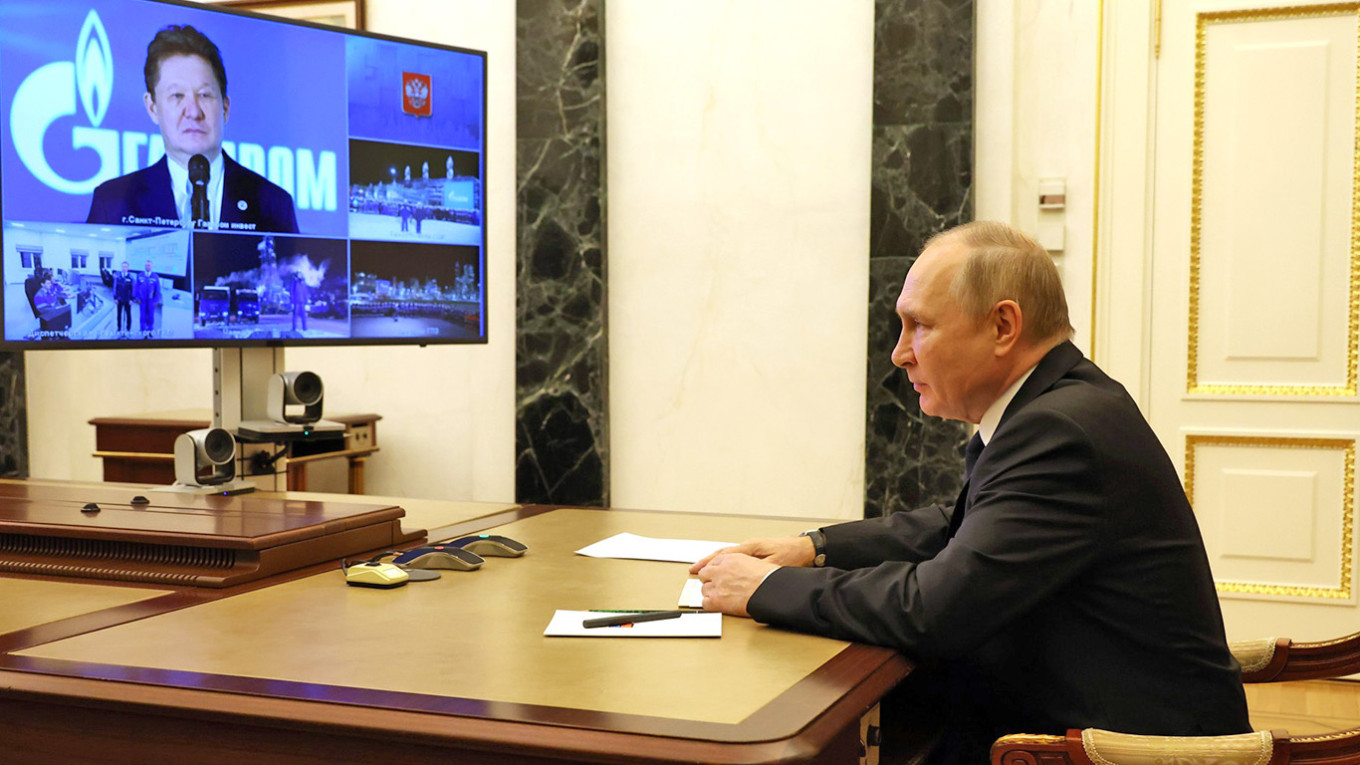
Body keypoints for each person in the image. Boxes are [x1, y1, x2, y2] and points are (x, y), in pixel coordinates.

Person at [691, 221, 1251, 764]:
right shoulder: (1059, 402)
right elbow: (959, 524)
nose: (900, 352)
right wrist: (813, 548)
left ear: (1003, 326)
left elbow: (934, 610)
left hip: (1126, 751)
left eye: (920, 326)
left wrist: (768, 589)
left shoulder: (1058, 430)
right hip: (1063, 714)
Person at [86, 25, 298, 234]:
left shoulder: (273, 204)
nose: (194, 112)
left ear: (225, 107)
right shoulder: (113, 203)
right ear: (152, 107)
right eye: (177, 96)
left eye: (205, 95)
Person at [135, 260, 162, 335]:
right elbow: (136, 287)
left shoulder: (155, 276)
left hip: (151, 300)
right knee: (142, 315)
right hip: (142, 300)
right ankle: (142, 329)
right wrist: (137, 298)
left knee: (151, 316)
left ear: (152, 266)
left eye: (149, 265)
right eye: (146, 265)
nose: (147, 266)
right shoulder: (140, 275)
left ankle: (150, 330)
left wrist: (156, 300)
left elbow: (158, 289)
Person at [113, 261, 135, 334]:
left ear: (128, 268)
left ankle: (128, 329)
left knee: (128, 315)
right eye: (123, 266)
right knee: (119, 315)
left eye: (126, 266)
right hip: (119, 299)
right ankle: (119, 328)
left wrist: (132, 299)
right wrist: (115, 298)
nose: (124, 268)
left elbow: (133, 289)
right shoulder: (117, 277)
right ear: (121, 267)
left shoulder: (131, 278)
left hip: (128, 300)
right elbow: (115, 287)